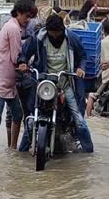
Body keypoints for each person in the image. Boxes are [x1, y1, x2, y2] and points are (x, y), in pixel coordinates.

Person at [18, 14, 94, 153]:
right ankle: (20, 154)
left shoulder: (72, 38)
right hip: (43, 85)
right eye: (51, 33)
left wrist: (81, 68)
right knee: (31, 119)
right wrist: (22, 63)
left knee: (79, 120)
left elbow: (83, 56)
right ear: (47, 30)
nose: (54, 36)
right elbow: (24, 53)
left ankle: (89, 153)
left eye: (57, 33)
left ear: (62, 30)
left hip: (66, 83)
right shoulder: (38, 38)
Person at [0, 0, 35, 152]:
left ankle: (12, 149)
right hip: (0, 83)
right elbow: (16, 56)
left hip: (9, 83)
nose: (28, 20)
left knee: (17, 114)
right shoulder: (13, 29)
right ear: (19, 13)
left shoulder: (12, 26)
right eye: (27, 16)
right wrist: (25, 65)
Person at [86, 19, 109, 116]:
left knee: (93, 96)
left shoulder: (102, 43)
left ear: (103, 31)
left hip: (107, 78)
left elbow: (98, 61)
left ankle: (89, 114)